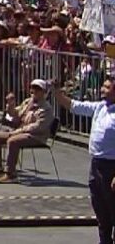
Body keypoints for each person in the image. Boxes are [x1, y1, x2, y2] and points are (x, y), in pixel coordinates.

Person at [55, 76, 115, 244]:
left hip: (112, 166)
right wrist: (57, 92)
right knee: (100, 208)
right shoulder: (100, 107)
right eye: (103, 86)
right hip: (96, 164)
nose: (102, 90)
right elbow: (74, 106)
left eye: (107, 88)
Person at [0, 79, 54, 183]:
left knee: (13, 141)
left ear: (44, 92)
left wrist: (19, 131)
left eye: (37, 89)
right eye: (32, 88)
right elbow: (15, 114)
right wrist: (10, 105)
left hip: (36, 136)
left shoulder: (46, 108)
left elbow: (38, 127)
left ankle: (11, 174)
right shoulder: (27, 102)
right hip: (18, 131)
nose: (34, 91)